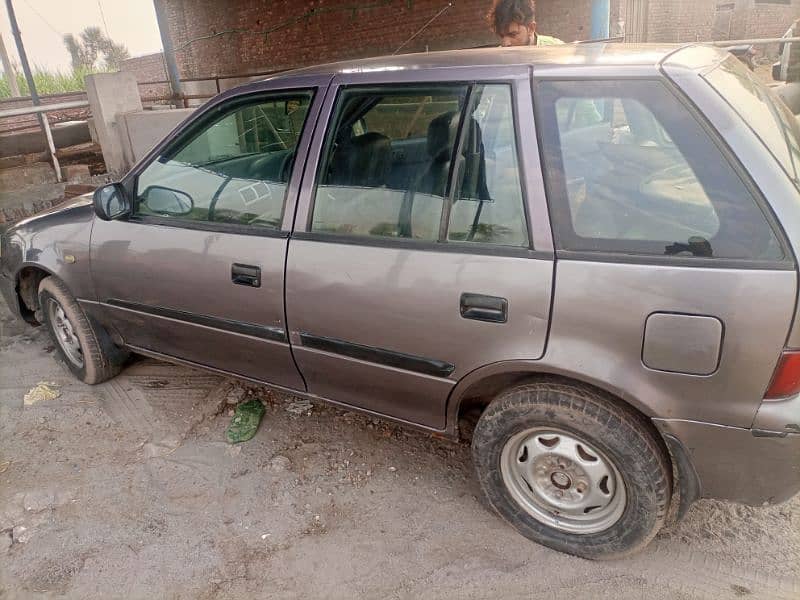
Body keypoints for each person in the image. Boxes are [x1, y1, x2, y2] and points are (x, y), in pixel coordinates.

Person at [486, 0, 563, 47]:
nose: (505, 44)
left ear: (531, 28)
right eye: (502, 36)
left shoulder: (557, 50)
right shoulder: (498, 58)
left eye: (513, 34)